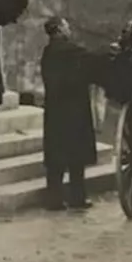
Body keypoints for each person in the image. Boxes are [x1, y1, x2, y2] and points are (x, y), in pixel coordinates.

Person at [40, 17, 113, 211]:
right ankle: (77, 197)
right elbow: (92, 62)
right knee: (76, 157)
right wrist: (110, 50)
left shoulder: (48, 53)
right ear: (59, 30)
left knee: (56, 157)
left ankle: (53, 199)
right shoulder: (71, 52)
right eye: (66, 26)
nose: (69, 29)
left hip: (55, 111)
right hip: (74, 111)